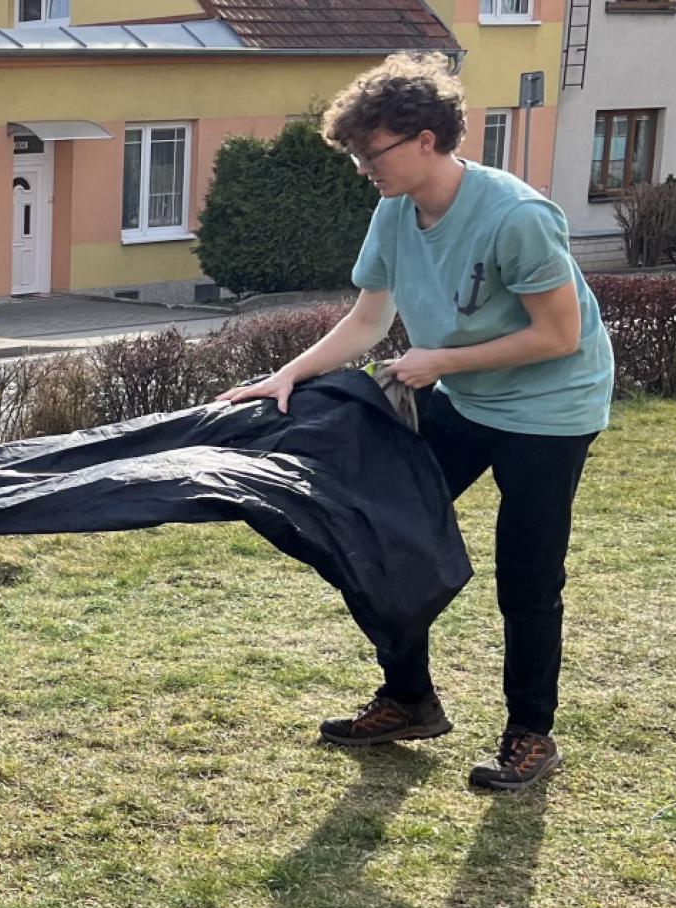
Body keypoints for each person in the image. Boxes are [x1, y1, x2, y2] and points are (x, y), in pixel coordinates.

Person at [220, 53, 614, 793]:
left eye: (372, 152)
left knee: (527, 576)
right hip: (465, 396)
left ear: (426, 138)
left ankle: (531, 734)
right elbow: (368, 320)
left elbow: (560, 335)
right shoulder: (395, 212)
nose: (363, 168)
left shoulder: (517, 217)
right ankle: (409, 700)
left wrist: (441, 361)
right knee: (378, 533)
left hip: (551, 409)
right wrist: (288, 374)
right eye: (357, 155)